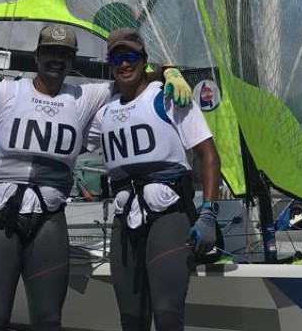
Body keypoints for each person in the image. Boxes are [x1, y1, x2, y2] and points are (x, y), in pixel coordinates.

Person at [0, 24, 192, 331]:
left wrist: (169, 71)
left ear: (72, 60)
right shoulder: (4, 92)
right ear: (36, 55)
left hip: (48, 218)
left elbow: (133, 76)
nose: (56, 59)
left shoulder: (83, 97)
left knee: (49, 321)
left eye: (64, 54)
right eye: (50, 52)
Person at [91, 28, 221, 331]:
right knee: (131, 321)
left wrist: (208, 214)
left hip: (168, 216)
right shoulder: (104, 113)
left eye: (131, 56)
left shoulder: (170, 97)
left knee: (167, 318)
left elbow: (209, 155)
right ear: (109, 63)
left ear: (144, 59)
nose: (124, 64)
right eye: (117, 58)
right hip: (125, 221)